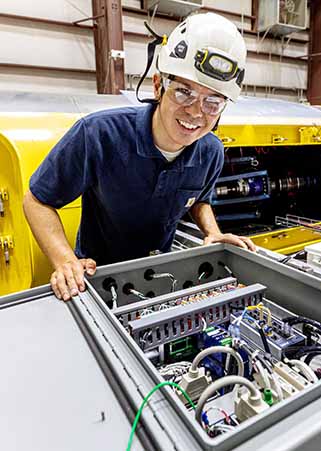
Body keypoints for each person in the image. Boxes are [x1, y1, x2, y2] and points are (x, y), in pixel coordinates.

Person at [23, 12, 255, 302]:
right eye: (184, 92)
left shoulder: (211, 151)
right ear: (158, 85)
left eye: (213, 101)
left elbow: (201, 198)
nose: (196, 112)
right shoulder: (99, 134)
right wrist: (65, 261)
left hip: (159, 274)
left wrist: (213, 232)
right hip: (97, 276)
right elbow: (37, 199)